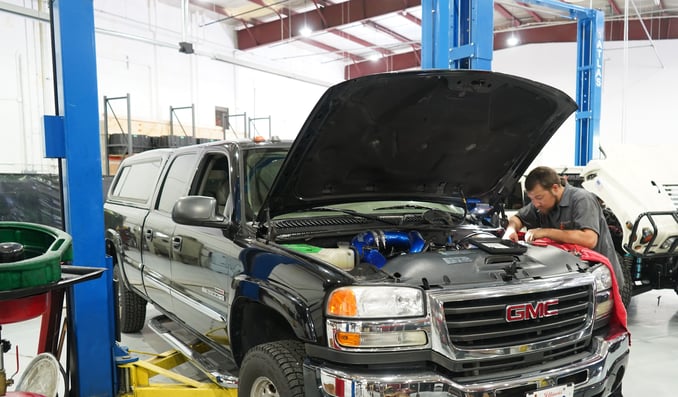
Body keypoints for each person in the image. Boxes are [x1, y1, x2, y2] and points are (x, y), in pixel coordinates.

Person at [502, 166, 624, 285]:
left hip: (599, 280)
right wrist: (511, 230)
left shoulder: (582, 199)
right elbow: (517, 218)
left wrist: (545, 232)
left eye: (539, 198)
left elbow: (589, 239)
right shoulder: (543, 204)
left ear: (555, 188)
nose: (536, 204)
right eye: (532, 199)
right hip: (567, 276)